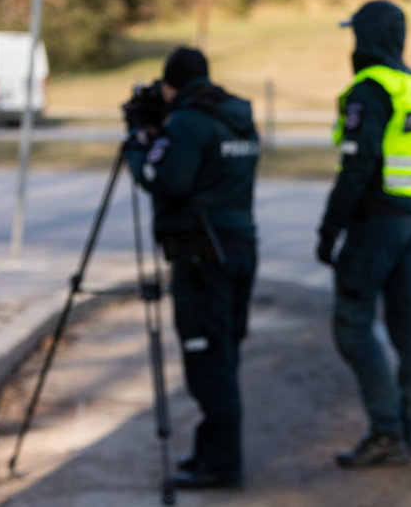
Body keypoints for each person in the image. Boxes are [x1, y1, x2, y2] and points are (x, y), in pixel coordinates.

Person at [315, 0, 411, 468]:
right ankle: (405, 425)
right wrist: (409, 206)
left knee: (352, 326)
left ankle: (387, 431)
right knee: (407, 324)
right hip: (407, 220)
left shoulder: (370, 90)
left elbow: (357, 167)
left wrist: (329, 230)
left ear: (365, 37)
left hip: (371, 226)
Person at [126, 46, 260, 489]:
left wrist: (136, 147)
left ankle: (221, 464)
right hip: (238, 248)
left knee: (207, 360)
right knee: (224, 354)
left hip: (202, 256)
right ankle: (213, 451)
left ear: (171, 85)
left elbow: (163, 180)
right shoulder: (237, 116)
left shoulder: (187, 122)